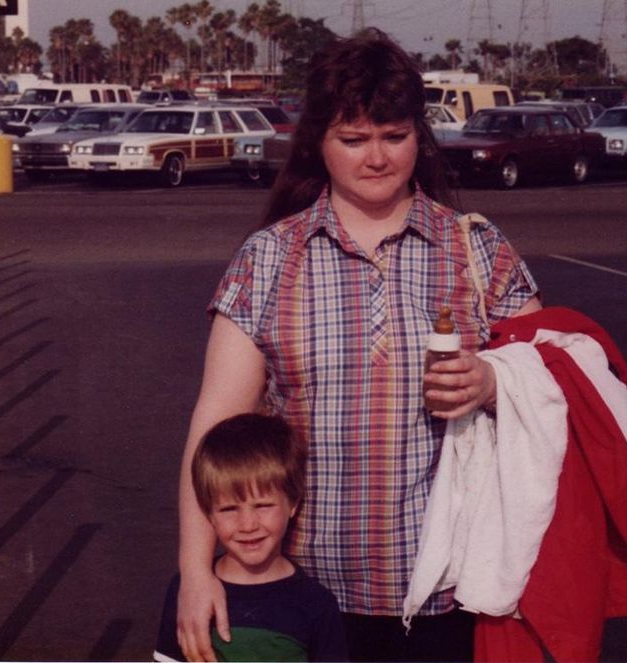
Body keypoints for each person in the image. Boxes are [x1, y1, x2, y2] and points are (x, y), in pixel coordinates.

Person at [175, 27, 541, 663]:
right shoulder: (267, 260)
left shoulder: (476, 249)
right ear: (318, 145)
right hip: (304, 597)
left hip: (453, 600)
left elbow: (556, 382)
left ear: (418, 138)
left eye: (394, 137)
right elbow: (215, 433)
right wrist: (195, 571)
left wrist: (493, 382)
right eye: (353, 139)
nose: (377, 158)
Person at [156, 413, 348, 661]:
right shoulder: (188, 591)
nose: (247, 525)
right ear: (207, 513)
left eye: (263, 506)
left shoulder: (316, 604)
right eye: (229, 509)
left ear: (292, 503)